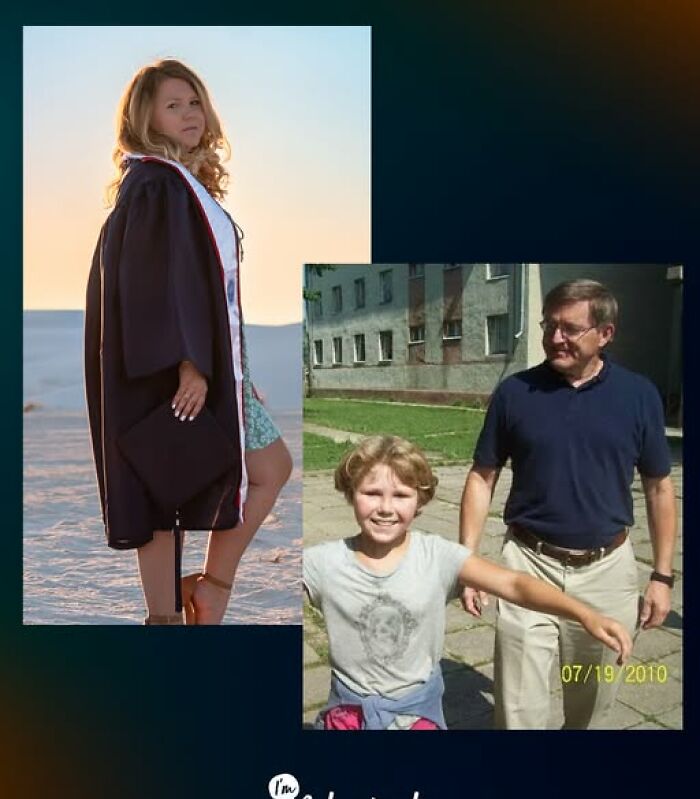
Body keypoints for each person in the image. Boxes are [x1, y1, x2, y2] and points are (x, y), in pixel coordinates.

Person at [85, 59, 292, 625]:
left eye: (194, 102)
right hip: (169, 368)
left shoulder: (180, 183)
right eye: (172, 105)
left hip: (208, 364)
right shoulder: (156, 184)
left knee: (268, 467)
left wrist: (233, 371)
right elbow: (159, 282)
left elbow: (207, 288)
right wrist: (190, 363)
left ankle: (209, 589)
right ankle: (168, 618)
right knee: (159, 484)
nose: (189, 114)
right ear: (145, 118)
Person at [460, 279, 677, 729]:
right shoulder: (515, 393)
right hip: (527, 565)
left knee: (591, 707)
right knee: (518, 712)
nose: (555, 338)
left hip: (607, 572)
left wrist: (661, 576)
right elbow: (482, 477)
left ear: (605, 334)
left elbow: (659, 487)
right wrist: (468, 564)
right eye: (549, 326)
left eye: (570, 329)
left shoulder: (639, 396)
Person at [303, 435, 632, 730]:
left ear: (420, 501)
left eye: (401, 495)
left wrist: (584, 614)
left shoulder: (438, 557)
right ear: (351, 493)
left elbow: (514, 584)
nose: (386, 508)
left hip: (416, 718)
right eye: (372, 493)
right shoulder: (322, 563)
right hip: (347, 717)